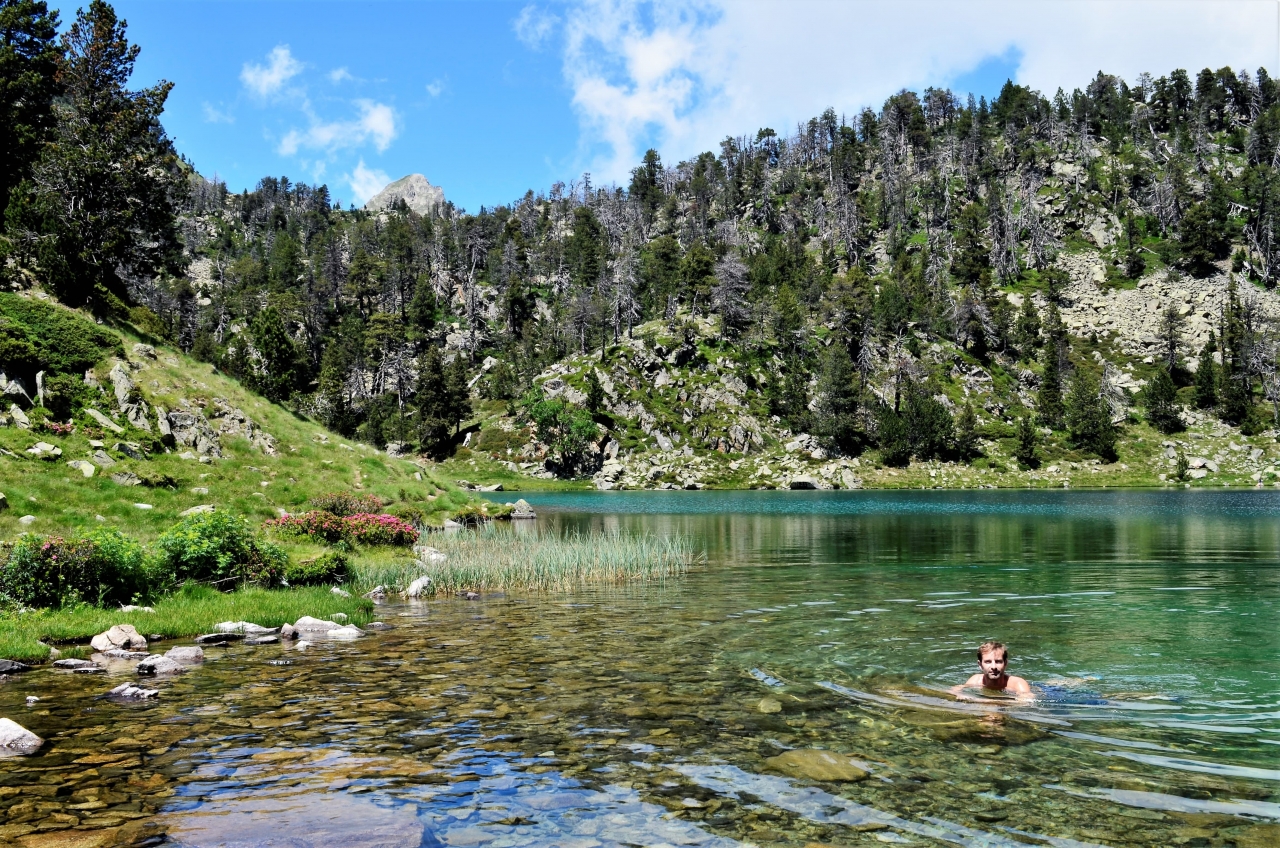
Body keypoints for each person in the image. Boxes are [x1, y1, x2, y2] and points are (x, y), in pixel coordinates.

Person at [951, 641, 1032, 700]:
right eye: (988, 662)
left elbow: (1025, 702)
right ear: (980, 665)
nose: (993, 666)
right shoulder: (976, 680)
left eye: (998, 661)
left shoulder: (1017, 683)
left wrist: (979, 700)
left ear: (1005, 663)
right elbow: (955, 690)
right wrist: (959, 695)